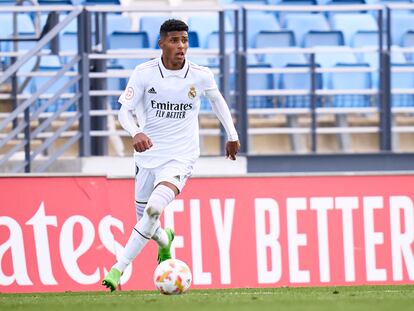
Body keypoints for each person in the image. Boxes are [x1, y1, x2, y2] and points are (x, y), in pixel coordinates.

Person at [102, 19, 240, 292]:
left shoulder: (200, 74)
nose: (181, 46)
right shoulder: (144, 73)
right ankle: (165, 243)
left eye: (185, 40)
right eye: (175, 40)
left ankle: (118, 269)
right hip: (147, 157)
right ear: (161, 43)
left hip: (180, 157)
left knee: (154, 210)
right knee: (146, 219)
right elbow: (123, 111)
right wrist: (135, 132)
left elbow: (217, 101)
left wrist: (232, 135)